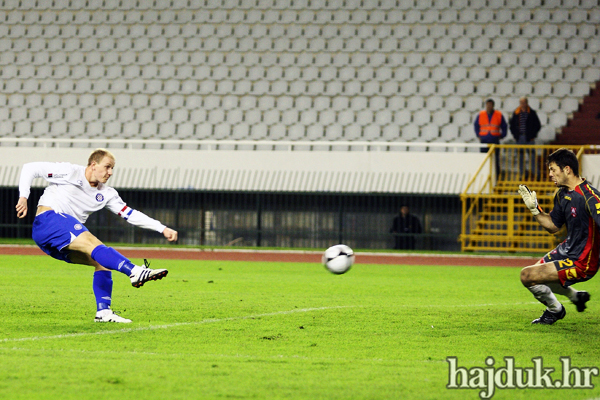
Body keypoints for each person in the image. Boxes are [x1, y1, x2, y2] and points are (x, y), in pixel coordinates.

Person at [15, 148, 178, 323]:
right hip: (49, 220)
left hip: (57, 239)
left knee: (102, 261)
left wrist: (162, 228)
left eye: (112, 168)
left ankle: (103, 313)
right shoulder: (69, 172)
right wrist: (23, 196)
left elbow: (130, 214)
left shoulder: (107, 194)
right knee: (94, 243)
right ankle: (135, 271)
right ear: (93, 165)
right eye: (107, 167)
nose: (110, 172)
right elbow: (30, 168)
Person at [518, 148, 595, 325]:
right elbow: (553, 226)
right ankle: (576, 297)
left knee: (527, 275)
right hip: (567, 249)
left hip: (583, 260)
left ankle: (555, 311)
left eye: (553, 169)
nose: (550, 174)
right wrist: (534, 210)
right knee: (534, 277)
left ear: (567, 169)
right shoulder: (562, 194)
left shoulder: (590, 197)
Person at [509, 97, 542, 180]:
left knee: (532, 156)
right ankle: (522, 173)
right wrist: (515, 135)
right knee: (520, 157)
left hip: (529, 138)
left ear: (527, 103)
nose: (522, 104)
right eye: (521, 102)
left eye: (524, 102)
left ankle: (536, 173)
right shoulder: (516, 113)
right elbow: (512, 125)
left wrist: (532, 135)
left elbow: (537, 125)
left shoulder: (532, 113)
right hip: (519, 138)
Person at [474, 99, 507, 176]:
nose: (489, 107)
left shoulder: (498, 115)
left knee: (495, 160)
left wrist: (502, 135)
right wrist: (478, 135)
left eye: (490, 105)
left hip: (494, 141)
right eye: (487, 105)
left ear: (493, 106)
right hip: (484, 141)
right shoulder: (481, 114)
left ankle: (496, 177)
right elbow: (476, 125)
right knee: (484, 160)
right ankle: (484, 175)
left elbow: (504, 126)